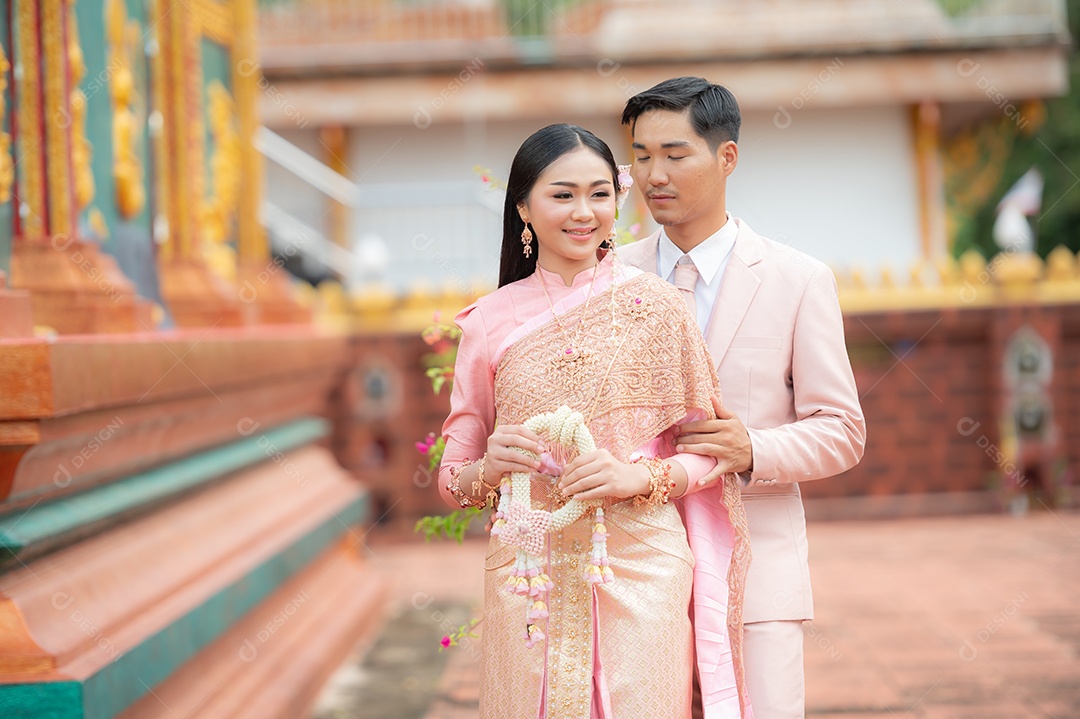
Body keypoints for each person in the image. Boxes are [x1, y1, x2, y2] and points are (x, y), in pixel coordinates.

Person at [438, 123, 753, 718]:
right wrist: (488, 469)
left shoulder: (659, 307)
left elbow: (710, 448)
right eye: (562, 195)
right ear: (524, 208)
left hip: (642, 561)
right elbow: (453, 477)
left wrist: (639, 479)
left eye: (600, 193)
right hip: (531, 574)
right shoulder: (487, 322)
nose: (584, 212)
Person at [618, 77, 867, 719]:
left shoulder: (799, 281)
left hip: (758, 577)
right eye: (641, 156)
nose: (653, 174)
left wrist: (751, 447)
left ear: (726, 157)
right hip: (632, 573)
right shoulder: (607, 278)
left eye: (675, 154)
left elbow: (841, 429)